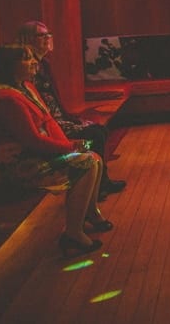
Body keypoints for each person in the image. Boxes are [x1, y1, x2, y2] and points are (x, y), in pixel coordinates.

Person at [0, 45, 112, 257]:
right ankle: (73, 233)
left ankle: (90, 212)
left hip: (36, 153)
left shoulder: (26, 87)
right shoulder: (5, 98)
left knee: (94, 158)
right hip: (21, 164)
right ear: (8, 66)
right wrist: (70, 147)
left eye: (32, 57)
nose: (33, 62)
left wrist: (70, 143)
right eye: (26, 59)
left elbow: (47, 124)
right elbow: (32, 141)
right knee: (86, 162)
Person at [18, 21, 126, 200]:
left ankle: (101, 181)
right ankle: (95, 187)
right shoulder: (30, 70)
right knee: (95, 133)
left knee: (99, 129)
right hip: (49, 124)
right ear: (28, 39)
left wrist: (70, 117)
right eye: (42, 35)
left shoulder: (44, 63)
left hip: (58, 119)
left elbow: (54, 99)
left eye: (48, 34)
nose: (47, 38)